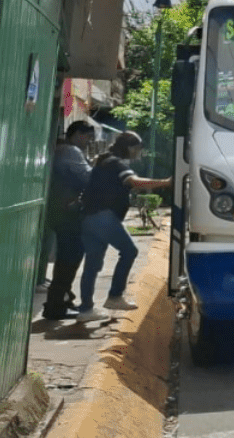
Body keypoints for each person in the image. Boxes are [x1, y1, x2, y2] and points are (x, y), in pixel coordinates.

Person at [75, 132, 171, 323]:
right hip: (103, 217)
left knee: (91, 265)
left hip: (89, 217)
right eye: (138, 149)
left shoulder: (105, 161)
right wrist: (166, 183)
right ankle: (115, 296)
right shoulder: (116, 164)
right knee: (129, 251)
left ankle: (86, 310)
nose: (139, 153)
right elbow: (134, 182)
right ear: (129, 148)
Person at [40, 121, 95, 320]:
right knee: (70, 258)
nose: (89, 142)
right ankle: (56, 305)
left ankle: (63, 299)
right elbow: (88, 177)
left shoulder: (62, 149)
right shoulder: (71, 151)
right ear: (78, 134)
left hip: (61, 212)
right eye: (88, 137)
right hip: (67, 214)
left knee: (68, 257)